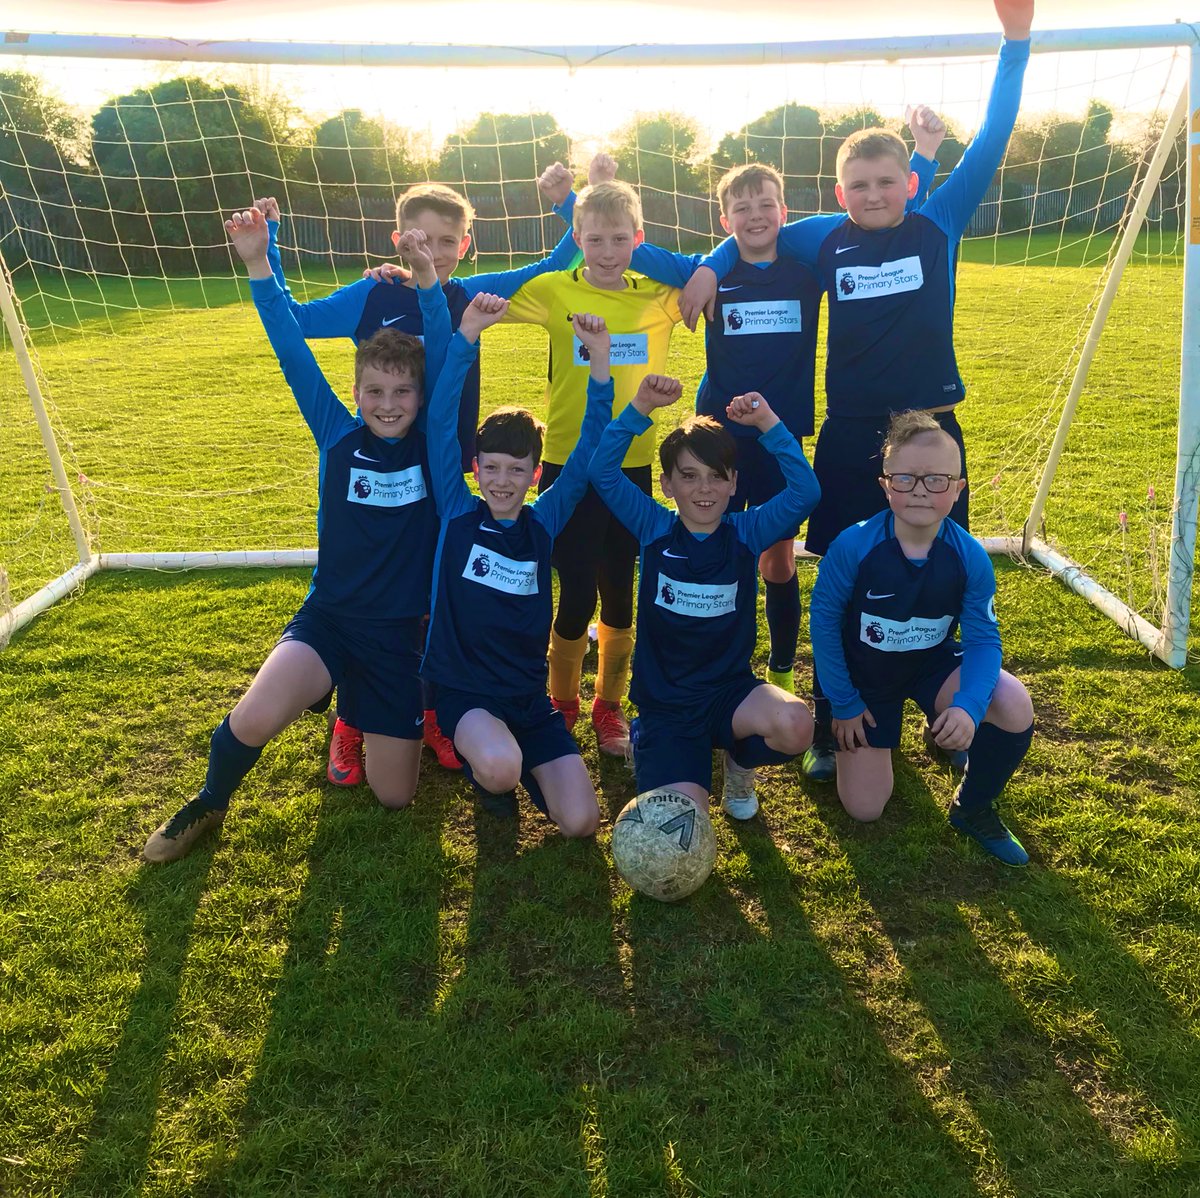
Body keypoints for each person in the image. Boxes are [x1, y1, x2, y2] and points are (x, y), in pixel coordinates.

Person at [676, 0, 1034, 782]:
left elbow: (997, 139)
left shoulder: (938, 222)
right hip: (849, 432)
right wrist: (707, 263)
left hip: (930, 425)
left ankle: (945, 701)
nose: (872, 194)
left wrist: (1015, 42)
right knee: (840, 571)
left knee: (939, 562)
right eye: (857, 185)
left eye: (884, 181)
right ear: (840, 193)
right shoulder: (823, 238)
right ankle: (835, 706)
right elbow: (751, 233)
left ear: (908, 181)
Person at [143, 206, 449, 863]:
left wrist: (426, 278)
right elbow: (290, 346)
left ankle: (356, 708)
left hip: (397, 636)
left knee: (394, 796)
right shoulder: (338, 436)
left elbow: (445, 352)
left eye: (401, 392)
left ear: (421, 398)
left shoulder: (430, 446)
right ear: (357, 391)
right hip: (331, 620)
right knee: (253, 718)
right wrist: (260, 261)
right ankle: (209, 801)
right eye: (374, 390)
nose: (387, 403)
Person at [255, 174, 581, 781]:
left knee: (432, 594)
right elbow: (293, 320)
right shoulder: (372, 293)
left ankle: (428, 711)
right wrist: (268, 244)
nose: (431, 249)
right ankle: (350, 723)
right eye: (419, 238)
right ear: (398, 239)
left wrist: (565, 199)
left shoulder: (471, 294)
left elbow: (559, 259)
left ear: (467, 245)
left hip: (446, 474)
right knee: (373, 592)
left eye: (446, 240)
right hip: (376, 471)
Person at [627, 122, 940, 695]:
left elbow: (884, 240)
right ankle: (715, 665)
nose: (754, 216)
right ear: (725, 220)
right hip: (717, 442)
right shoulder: (711, 271)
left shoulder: (808, 270)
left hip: (778, 438)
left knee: (776, 561)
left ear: (783, 211)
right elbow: (633, 248)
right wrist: (584, 201)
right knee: (715, 550)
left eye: (765, 205)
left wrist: (928, 155)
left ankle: (778, 670)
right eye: (741, 209)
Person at [418, 263, 613, 832]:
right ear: (475, 468)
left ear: (533, 475)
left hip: (527, 698)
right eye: (492, 468)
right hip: (465, 694)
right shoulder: (457, 510)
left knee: (581, 822)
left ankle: (521, 769)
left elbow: (589, 448)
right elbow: (437, 421)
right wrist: (466, 337)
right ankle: (493, 777)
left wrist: (599, 359)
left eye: (516, 470)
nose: (502, 481)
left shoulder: (544, 520)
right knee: (500, 767)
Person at [502, 178, 682, 756]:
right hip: (567, 467)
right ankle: (562, 703)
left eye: (620, 240)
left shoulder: (657, 295)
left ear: (639, 240)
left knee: (621, 589)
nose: (607, 251)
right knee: (575, 590)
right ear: (576, 237)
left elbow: (715, 273)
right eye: (595, 239)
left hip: (631, 465)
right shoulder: (554, 290)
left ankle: (609, 707)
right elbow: (489, 293)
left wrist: (703, 272)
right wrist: (418, 277)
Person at [809, 409, 1035, 865]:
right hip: (866, 681)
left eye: (936, 480)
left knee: (1011, 703)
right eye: (905, 478)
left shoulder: (969, 556)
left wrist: (969, 707)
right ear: (884, 484)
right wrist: (845, 704)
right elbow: (824, 629)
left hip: (931, 666)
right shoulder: (852, 546)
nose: (919, 491)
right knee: (866, 808)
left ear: (958, 488)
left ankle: (972, 806)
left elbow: (983, 642)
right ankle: (863, 736)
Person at [588, 380, 820, 819]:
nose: (704, 489)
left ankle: (739, 761)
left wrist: (768, 423)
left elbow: (806, 492)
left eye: (717, 476)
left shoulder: (746, 532)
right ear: (667, 484)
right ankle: (649, 742)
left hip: (727, 695)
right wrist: (640, 407)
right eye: (688, 476)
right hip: (667, 705)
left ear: (735, 483)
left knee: (796, 725)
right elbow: (602, 471)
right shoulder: (654, 527)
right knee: (681, 821)